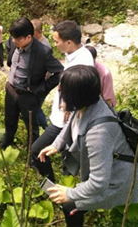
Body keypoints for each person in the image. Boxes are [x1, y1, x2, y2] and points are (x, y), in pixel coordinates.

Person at [38, 65, 138, 227]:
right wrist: (57, 144)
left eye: (62, 91)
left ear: (75, 97)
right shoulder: (90, 100)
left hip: (116, 180)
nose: (59, 93)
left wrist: (69, 193)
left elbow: (99, 183)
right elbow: (73, 120)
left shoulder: (99, 134)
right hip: (108, 169)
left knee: (70, 204)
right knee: (72, 199)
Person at [31, 20, 94, 182]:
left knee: (37, 150)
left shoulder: (84, 62)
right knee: (68, 156)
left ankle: (52, 188)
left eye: (57, 41)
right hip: (63, 117)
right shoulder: (73, 54)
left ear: (69, 42)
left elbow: (87, 92)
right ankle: (66, 185)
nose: (55, 44)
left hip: (66, 121)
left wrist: (70, 103)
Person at [1, 18, 63, 150]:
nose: (13, 41)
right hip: (11, 89)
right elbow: (9, 50)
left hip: (28, 94)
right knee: (10, 119)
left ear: (29, 37)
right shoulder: (13, 43)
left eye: (17, 39)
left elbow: (60, 72)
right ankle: (7, 141)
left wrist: (42, 88)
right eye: (13, 38)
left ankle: (32, 153)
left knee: (31, 126)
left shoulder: (42, 52)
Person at [31, 19, 51, 129]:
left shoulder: (45, 46)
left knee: (35, 106)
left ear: (40, 32)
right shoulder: (34, 42)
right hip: (34, 82)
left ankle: (46, 128)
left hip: (42, 83)